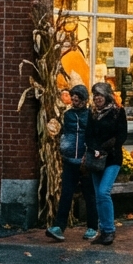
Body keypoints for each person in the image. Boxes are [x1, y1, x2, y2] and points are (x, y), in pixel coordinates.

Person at [46, 85, 99, 242]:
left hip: (85, 161)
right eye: (73, 98)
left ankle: (92, 227)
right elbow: (61, 131)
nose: (75, 101)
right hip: (69, 160)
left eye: (78, 98)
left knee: (89, 194)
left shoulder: (91, 115)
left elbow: (94, 136)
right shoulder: (67, 115)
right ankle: (59, 227)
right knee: (66, 193)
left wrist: (88, 154)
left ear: (84, 100)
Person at [85, 82, 127, 246]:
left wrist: (104, 149)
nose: (97, 98)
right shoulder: (92, 113)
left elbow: (122, 135)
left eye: (100, 95)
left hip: (112, 157)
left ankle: (109, 230)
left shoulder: (118, 112)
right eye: (95, 95)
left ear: (107, 96)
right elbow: (88, 134)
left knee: (103, 192)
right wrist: (94, 149)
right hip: (95, 159)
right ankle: (102, 232)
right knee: (98, 195)